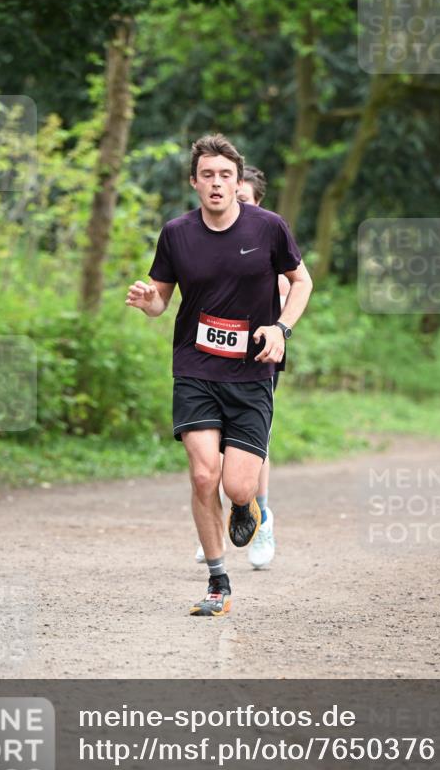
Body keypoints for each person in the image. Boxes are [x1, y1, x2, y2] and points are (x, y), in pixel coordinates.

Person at [126, 133, 312, 617]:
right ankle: (217, 581)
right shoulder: (176, 233)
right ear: (194, 182)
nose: (216, 183)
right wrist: (151, 304)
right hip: (195, 368)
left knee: (238, 488)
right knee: (203, 474)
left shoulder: (269, 228)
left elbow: (301, 281)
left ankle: (249, 507)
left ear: (237, 182)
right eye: (207, 175)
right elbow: (163, 299)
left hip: (252, 374)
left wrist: (281, 329)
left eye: (225, 175)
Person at [193, 165, 289, 570]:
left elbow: (291, 286)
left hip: (258, 357)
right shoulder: (202, 237)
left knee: (249, 448)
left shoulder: (268, 238)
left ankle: (259, 515)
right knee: (208, 453)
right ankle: (217, 525)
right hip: (210, 361)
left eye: (244, 199)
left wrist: (275, 326)